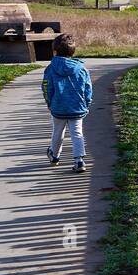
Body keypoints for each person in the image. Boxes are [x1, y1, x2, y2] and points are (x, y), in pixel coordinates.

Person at [42, 34, 93, 174]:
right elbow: (88, 88)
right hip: (77, 107)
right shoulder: (81, 69)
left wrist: (49, 102)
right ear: (73, 51)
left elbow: (47, 87)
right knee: (77, 133)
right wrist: (87, 102)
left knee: (58, 132)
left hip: (58, 107)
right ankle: (79, 160)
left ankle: (55, 155)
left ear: (55, 51)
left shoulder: (50, 69)